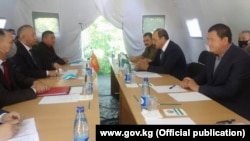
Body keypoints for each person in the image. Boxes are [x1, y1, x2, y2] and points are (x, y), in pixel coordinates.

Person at [180, 23, 250, 120]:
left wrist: (198, 88)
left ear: (225, 40)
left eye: (212, 40)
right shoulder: (212, 55)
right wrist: (191, 81)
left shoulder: (241, 58)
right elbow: (204, 76)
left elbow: (229, 91)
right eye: (208, 40)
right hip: (212, 101)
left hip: (234, 110)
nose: (209, 44)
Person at [0, 29, 50, 108]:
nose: (14, 45)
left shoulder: (6, 62)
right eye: (11, 42)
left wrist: (34, 82)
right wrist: (33, 90)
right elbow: (3, 98)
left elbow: (20, 78)